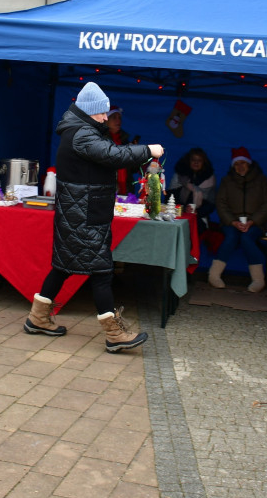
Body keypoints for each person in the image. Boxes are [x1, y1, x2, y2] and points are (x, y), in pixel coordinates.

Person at [23, 82, 164, 352]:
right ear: (89, 112)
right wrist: (148, 150)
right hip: (84, 214)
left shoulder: (79, 130)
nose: (105, 117)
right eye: (101, 113)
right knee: (101, 271)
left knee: (64, 266)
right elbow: (111, 155)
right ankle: (114, 334)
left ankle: (37, 318)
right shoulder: (82, 134)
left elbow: (108, 158)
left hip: (81, 212)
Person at [209, 147, 267, 293]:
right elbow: (221, 203)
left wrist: (253, 221)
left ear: (249, 164)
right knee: (231, 236)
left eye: (243, 163)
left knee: (246, 238)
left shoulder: (261, 180)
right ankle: (214, 275)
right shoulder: (227, 181)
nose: (240, 166)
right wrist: (233, 222)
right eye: (236, 164)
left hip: (255, 223)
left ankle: (258, 279)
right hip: (231, 222)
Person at [167, 147, 216, 234]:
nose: (196, 162)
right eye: (193, 160)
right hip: (177, 214)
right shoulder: (179, 176)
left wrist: (198, 212)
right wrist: (182, 208)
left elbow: (211, 204)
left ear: (204, 162)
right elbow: (169, 197)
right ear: (188, 161)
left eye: (199, 160)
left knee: (193, 228)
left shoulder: (209, 179)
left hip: (199, 217)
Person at [106, 105, 136, 195]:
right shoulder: (100, 140)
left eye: (119, 118)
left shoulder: (124, 141)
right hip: (106, 190)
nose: (118, 121)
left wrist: (135, 155)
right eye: (114, 118)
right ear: (106, 120)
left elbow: (132, 169)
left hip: (125, 190)